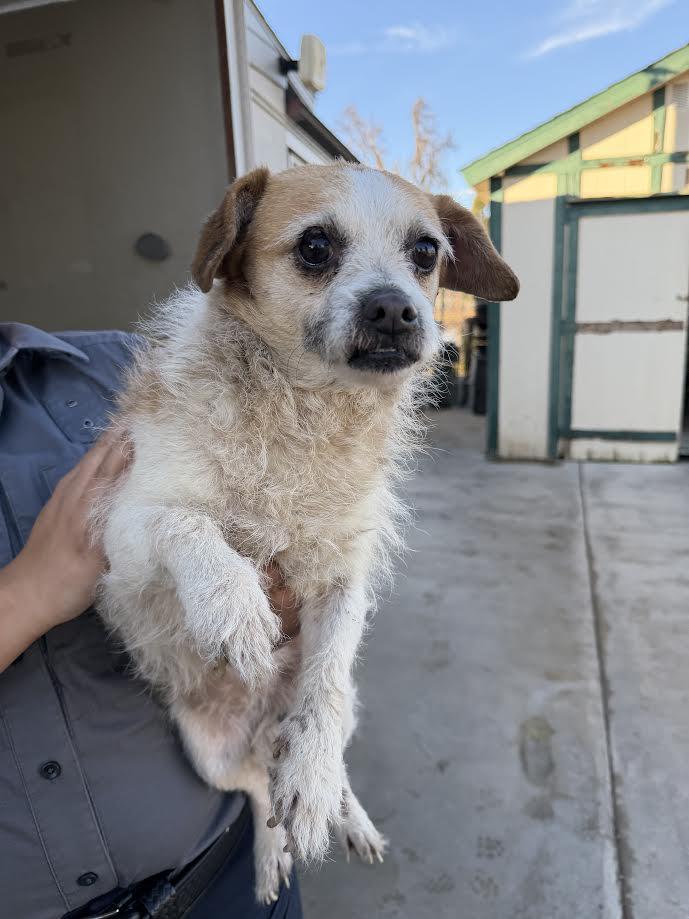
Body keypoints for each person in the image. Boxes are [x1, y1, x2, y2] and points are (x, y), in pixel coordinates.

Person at [0, 322, 303, 919]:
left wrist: (286, 607)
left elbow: (303, 576)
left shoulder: (138, 367)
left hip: (230, 873)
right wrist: (28, 593)